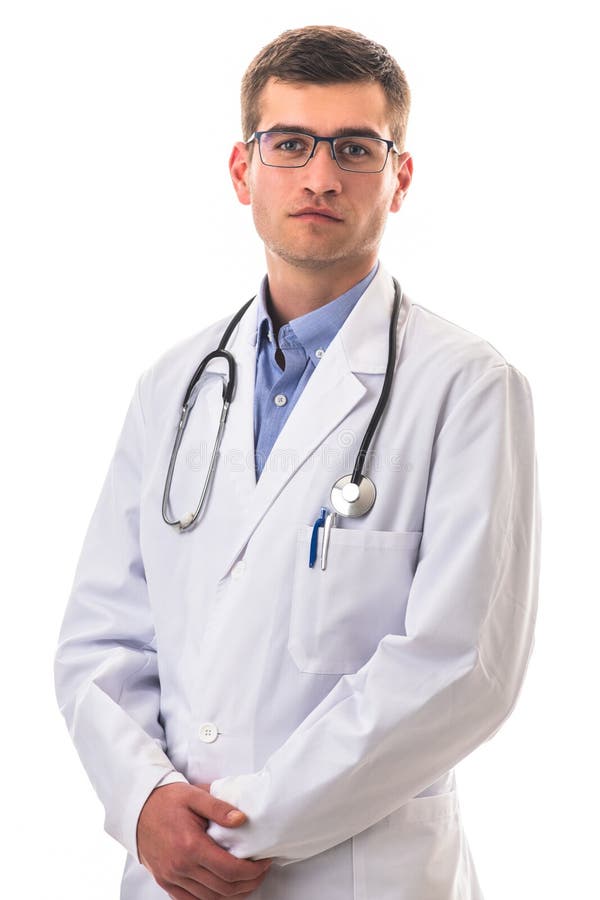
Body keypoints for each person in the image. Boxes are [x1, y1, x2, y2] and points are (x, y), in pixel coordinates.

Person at [54, 24, 541, 900]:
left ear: (400, 176)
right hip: (167, 869)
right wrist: (146, 802)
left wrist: (248, 827)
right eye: (291, 145)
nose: (321, 177)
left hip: (360, 875)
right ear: (244, 170)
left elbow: (463, 666)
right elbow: (101, 639)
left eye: (356, 148)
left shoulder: (468, 387)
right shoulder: (171, 385)